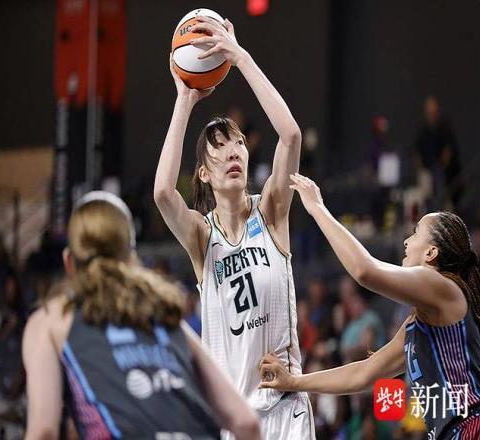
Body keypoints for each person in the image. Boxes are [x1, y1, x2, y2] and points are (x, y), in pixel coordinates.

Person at [154, 16, 314, 439]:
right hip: (235, 422)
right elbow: (163, 193)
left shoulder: (272, 211)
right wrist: (184, 100)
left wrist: (240, 58)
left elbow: (291, 136)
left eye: (238, 143)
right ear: (203, 174)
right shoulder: (201, 237)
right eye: (220, 147)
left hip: (286, 411)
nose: (233, 152)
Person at [259, 173, 480, 439]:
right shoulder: (417, 324)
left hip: (476, 427)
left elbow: (365, 270)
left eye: (415, 233)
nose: (406, 241)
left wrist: (317, 208)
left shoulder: (444, 287)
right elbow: (363, 374)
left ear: (431, 253)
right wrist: (294, 381)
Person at [23, 192, 260, 440]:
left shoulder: (49, 320)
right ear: (131, 257)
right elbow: (246, 423)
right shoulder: (163, 313)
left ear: (69, 262)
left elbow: (43, 432)